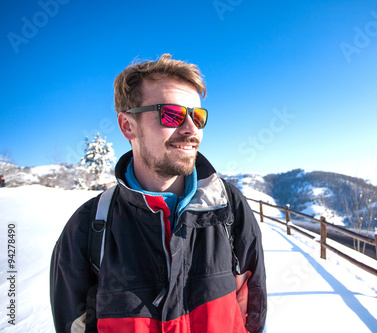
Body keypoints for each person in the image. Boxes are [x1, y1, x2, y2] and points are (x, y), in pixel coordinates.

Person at [50, 54, 267, 333]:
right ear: (128, 125)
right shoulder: (89, 227)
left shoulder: (229, 208)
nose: (191, 130)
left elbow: (252, 309)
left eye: (197, 117)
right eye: (172, 114)